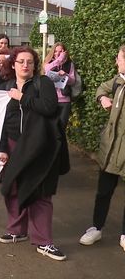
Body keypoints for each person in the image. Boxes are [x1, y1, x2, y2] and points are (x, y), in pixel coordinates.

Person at [0, 46, 68, 261]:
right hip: (12, 144)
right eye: (21, 61)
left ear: (35, 65)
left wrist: (22, 97)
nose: (25, 65)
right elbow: (0, 120)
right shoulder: (5, 86)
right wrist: (2, 147)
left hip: (38, 146)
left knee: (40, 192)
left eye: (30, 61)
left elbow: (49, 107)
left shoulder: (43, 83)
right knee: (13, 188)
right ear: (13, 64)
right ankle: (17, 230)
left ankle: (44, 241)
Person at [78, 45, 125, 251]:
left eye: (120, 58)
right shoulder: (117, 80)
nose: (117, 61)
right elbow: (101, 88)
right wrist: (102, 98)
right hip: (110, 149)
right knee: (103, 192)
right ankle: (96, 227)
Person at [43, 42, 76, 131]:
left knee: (61, 128)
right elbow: (46, 70)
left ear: (65, 52)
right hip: (51, 99)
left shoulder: (69, 64)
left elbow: (73, 81)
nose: (57, 53)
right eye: (55, 51)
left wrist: (66, 75)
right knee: (50, 127)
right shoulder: (49, 62)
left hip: (64, 100)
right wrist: (59, 60)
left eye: (60, 51)